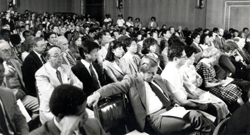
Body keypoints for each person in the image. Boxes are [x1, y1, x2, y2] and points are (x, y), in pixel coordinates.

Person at [87, 55, 215, 134]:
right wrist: (97, 94)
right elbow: (115, 87)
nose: (154, 76)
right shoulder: (132, 80)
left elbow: (169, 95)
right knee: (195, 116)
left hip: (171, 110)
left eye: (155, 72)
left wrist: (175, 104)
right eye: (151, 73)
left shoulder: (157, 78)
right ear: (142, 71)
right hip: (154, 119)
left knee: (203, 120)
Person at [29, 84, 106, 135]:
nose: (86, 115)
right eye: (80, 113)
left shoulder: (94, 124)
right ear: (62, 116)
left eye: (85, 109)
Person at [35, 46, 83, 124]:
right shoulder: (41, 73)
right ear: (47, 58)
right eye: (56, 55)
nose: (60, 58)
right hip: (52, 111)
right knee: (74, 124)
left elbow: (80, 84)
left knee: (91, 118)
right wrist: (71, 93)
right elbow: (51, 97)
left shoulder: (65, 68)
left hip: (70, 106)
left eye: (61, 54)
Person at [0, 40, 39, 118]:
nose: (8, 52)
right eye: (4, 50)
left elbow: (24, 79)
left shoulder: (15, 62)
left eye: (9, 49)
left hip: (22, 95)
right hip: (7, 100)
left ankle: (32, 126)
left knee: (40, 105)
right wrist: (4, 74)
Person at [0, 58, 29, 135]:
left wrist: (24, 133)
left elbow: (19, 119)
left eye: (2, 71)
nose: (2, 75)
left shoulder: (7, 94)